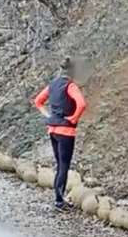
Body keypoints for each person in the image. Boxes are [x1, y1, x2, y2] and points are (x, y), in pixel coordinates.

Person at [33, 57, 87, 211]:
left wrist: (48, 115)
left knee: (59, 165)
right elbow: (82, 104)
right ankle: (58, 200)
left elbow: (38, 101)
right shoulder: (70, 86)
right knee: (64, 166)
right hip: (66, 131)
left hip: (52, 130)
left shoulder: (53, 85)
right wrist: (74, 118)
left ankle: (59, 197)